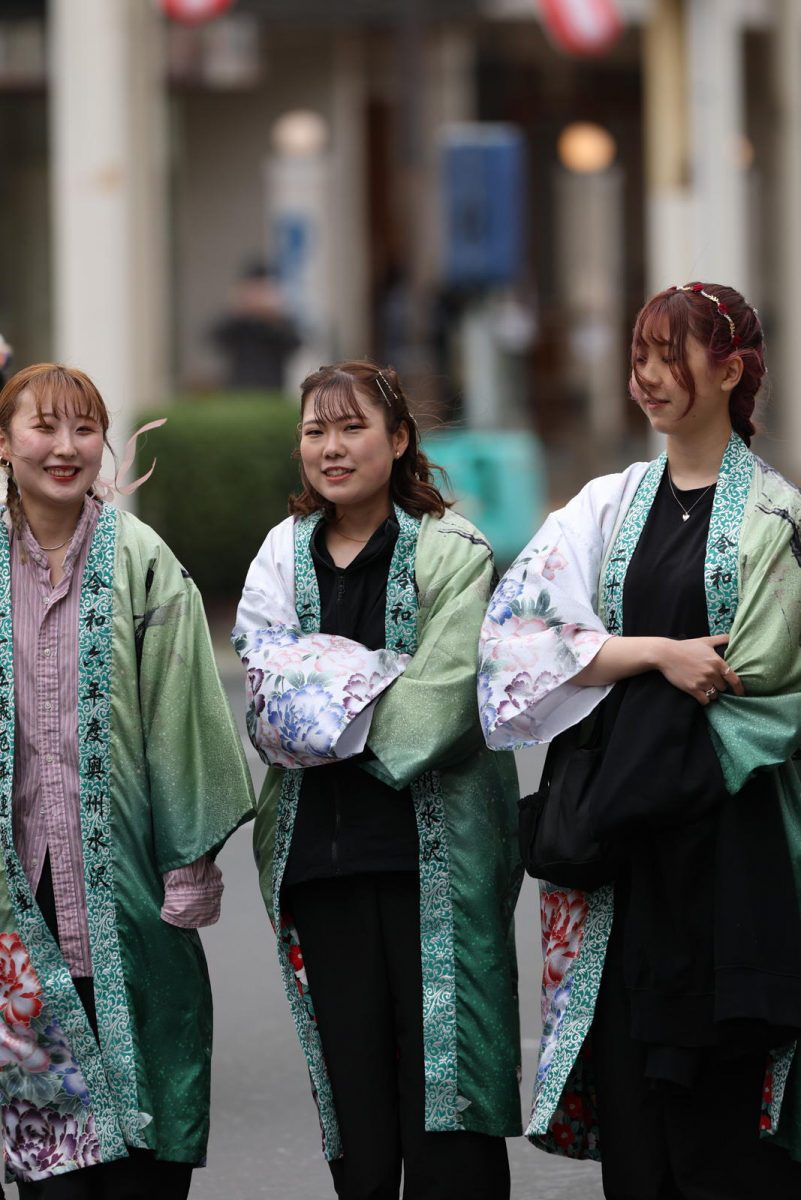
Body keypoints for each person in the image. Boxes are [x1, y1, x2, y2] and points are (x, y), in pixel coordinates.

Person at [478, 283, 801, 1198]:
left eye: (670, 357)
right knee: (636, 1116)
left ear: (730, 371)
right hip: (624, 851)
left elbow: (762, 690)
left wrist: (613, 668)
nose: (647, 377)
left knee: (723, 1125)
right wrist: (659, 653)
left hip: (727, 852)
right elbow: (513, 638)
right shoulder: (605, 504)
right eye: (638, 358)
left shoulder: (774, 519)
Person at [233, 360, 522, 1200]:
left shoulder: (452, 551)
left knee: (448, 1099)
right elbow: (266, 698)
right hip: (318, 864)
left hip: (432, 864)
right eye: (315, 430)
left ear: (397, 441)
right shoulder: (279, 553)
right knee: (354, 1107)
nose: (331, 447)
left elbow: (443, 704)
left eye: (351, 427)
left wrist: (320, 697)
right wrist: (376, 677)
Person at [0, 363, 255, 1196]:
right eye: (43, 427)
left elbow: (185, 711)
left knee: (145, 1148)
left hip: (128, 897)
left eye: (84, 429)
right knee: (49, 1162)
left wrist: (189, 861)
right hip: (15, 904)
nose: (65, 447)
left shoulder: (140, 558)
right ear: (4, 443)